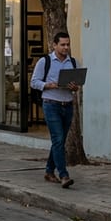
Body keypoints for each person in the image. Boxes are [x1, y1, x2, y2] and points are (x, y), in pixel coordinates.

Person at [30, 32, 80, 188]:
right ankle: (64, 175)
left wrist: (74, 87)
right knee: (58, 139)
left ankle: (49, 170)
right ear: (55, 45)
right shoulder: (45, 61)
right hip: (51, 103)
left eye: (68, 44)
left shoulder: (73, 62)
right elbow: (34, 82)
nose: (66, 48)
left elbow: (77, 85)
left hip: (67, 103)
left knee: (60, 140)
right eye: (63, 45)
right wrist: (47, 85)